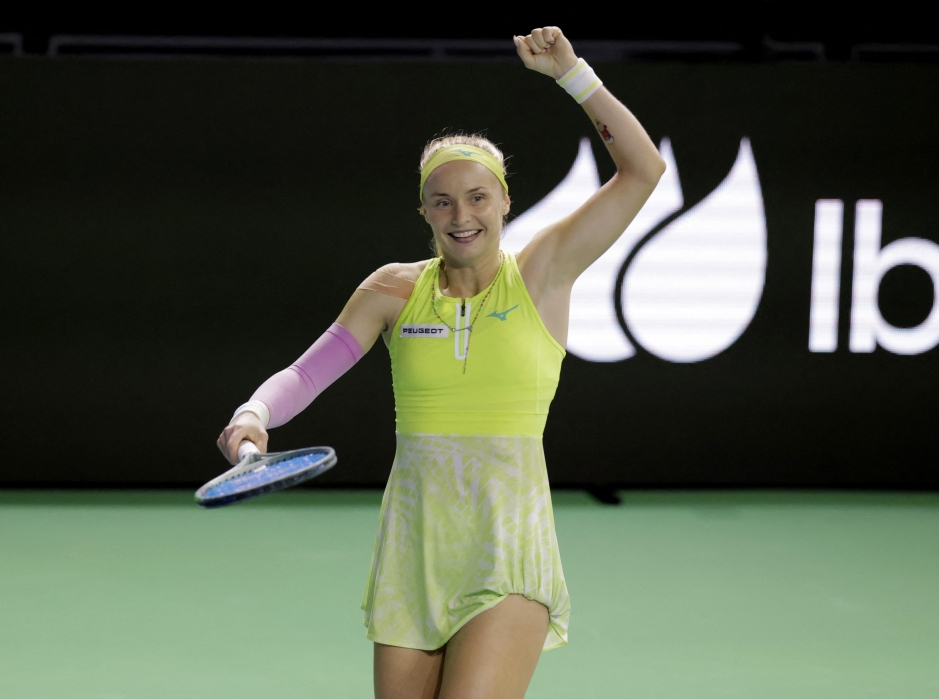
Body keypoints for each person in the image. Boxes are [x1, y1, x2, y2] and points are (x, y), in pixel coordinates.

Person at [216, 26, 666, 699]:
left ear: (505, 201)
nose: (462, 215)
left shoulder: (543, 272)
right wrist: (252, 414)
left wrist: (572, 75)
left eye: (478, 196)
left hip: (508, 550)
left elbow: (644, 170)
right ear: (423, 209)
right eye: (444, 200)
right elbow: (307, 374)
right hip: (413, 552)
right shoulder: (392, 290)